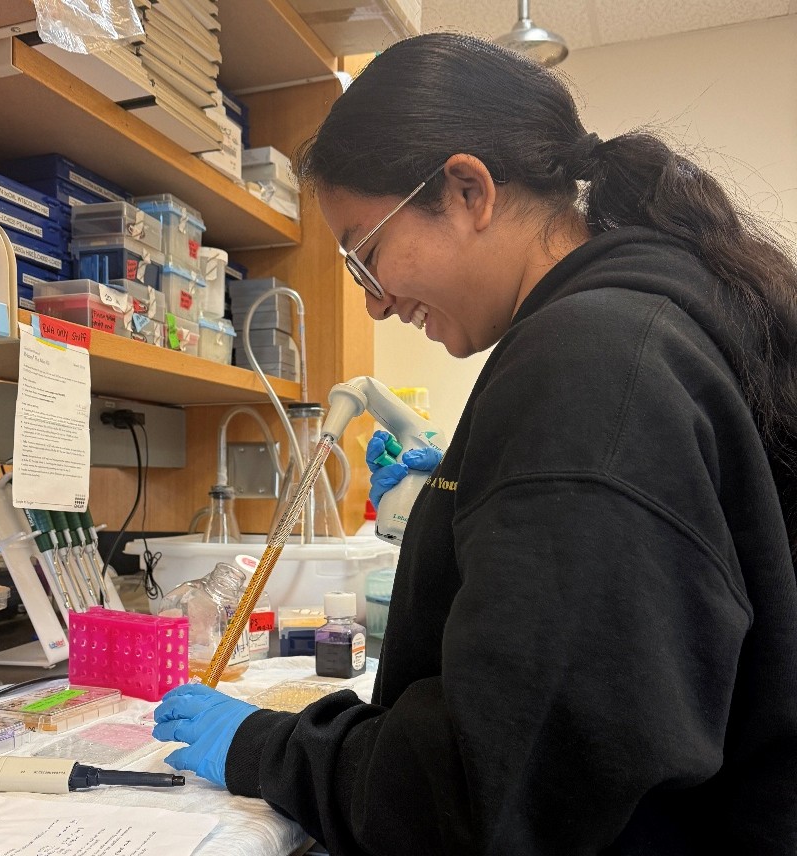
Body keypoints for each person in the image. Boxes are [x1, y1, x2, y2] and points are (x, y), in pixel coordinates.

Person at [153, 32, 797, 855]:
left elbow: (484, 793)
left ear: (466, 190)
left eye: (366, 253)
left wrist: (266, 750)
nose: (377, 304)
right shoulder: (646, 320)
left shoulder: (590, 363)